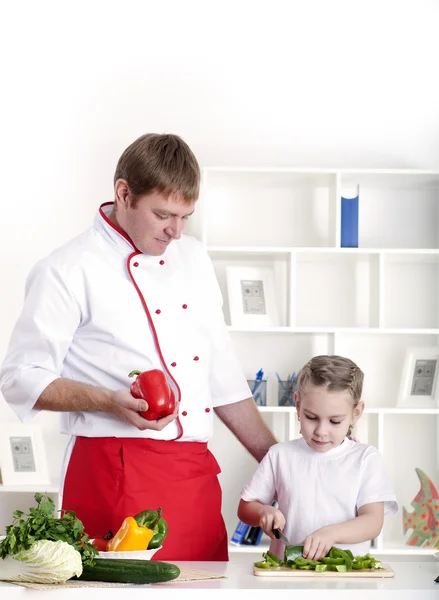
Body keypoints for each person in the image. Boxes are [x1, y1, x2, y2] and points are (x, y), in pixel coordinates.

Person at [0, 133, 277, 561]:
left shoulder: (195, 258)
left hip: (195, 477)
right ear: (124, 193)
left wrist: (282, 464)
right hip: (114, 473)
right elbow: (20, 378)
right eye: (163, 214)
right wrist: (108, 401)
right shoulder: (66, 268)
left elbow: (220, 374)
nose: (176, 231)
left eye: (186, 216)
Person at [238, 355, 398, 561]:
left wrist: (331, 533)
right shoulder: (281, 455)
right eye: (311, 418)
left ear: (356, 413)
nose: (321, 431)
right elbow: (245, 507)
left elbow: (373, 521)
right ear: (297, 405)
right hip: (286, 571)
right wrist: (263, 512)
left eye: (335, 421)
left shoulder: (365, 458)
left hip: (347, 576)